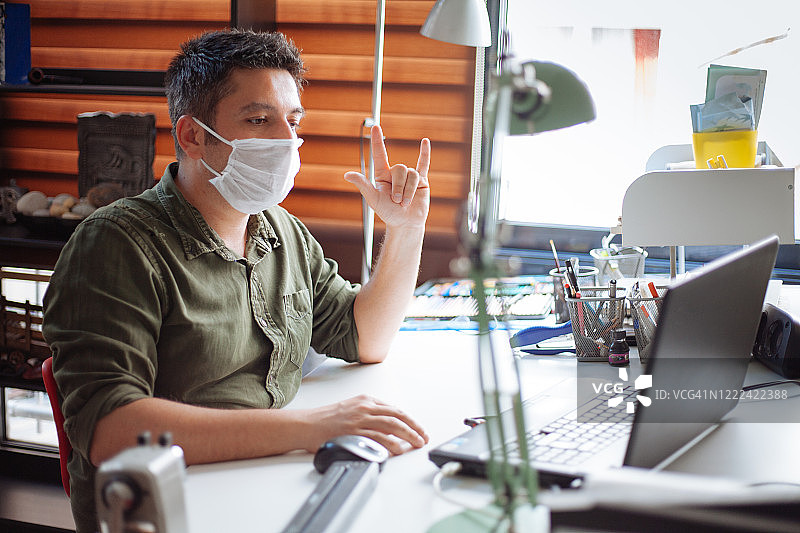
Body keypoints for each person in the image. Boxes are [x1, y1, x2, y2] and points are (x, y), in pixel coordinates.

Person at [42, 29, 431, 533]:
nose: (287, 141)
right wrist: (312, 427)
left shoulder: (281, 230)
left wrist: (405, 229)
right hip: (173, 508)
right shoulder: (115, 244)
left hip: (272, 481)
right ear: (193, 135)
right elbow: (113, 429)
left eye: (293, 121)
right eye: (258, 119)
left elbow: (366, 337)